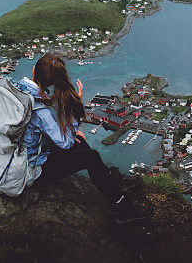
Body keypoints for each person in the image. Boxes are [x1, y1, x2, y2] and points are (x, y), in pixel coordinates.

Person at [18, 53, 148, 223]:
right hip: (30, 170)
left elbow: (33, 129)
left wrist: (71, 132)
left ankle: (112, 179)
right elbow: (64, 143)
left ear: (34, 69)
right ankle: (121, 204)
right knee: (90, 157)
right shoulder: (40, 110)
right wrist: (75, 108)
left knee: (80, 141)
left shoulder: (19, 89)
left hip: (19, 154)